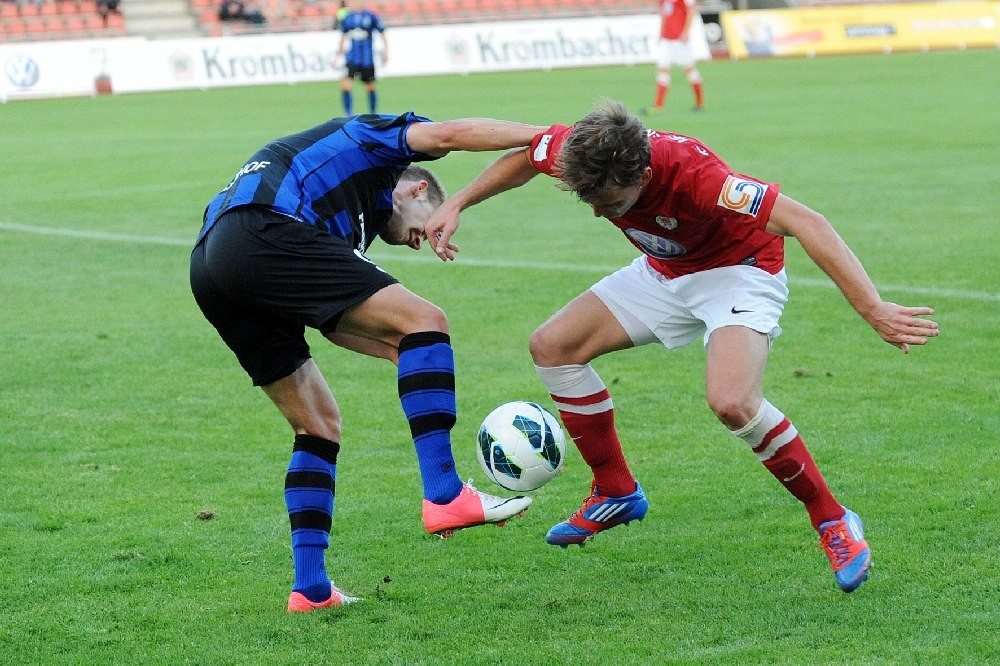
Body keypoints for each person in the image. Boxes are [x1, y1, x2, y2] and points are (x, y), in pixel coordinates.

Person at [425, 101, 939, 593]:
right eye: (592, 203)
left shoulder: (699, 176)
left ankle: (832, 518)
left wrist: (873, 308)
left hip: (738, 271)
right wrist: (456, 202)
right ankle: (615, 489)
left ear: (645, 176)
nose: (600, 215)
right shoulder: (586, 149)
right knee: (553, 346)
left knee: (733, 402)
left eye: (611, 204)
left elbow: (808, 222)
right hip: (666, 271)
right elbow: (525, 157)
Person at [189, 112, 544, 612]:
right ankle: (445, 493)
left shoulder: (344, 226)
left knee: (318, 426)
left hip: (212, 264)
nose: (423, 240)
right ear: (418, 190)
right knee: (427, 319)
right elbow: (448, 134)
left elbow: (333, 325)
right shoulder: (376, 145)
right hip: (262, 227)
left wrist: (407, 351)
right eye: (425, 227)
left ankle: (311, 589)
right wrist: (545, 135)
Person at [645, 0, 706, 114]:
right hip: (666, 40)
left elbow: (691, 10)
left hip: (679, 40)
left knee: (689, 70)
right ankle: (658, 105)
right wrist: (661, 33)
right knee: (662, 70)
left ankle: (700, 103)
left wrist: (686, 31)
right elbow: (664, 14)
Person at [335, 0, 387, 115]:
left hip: (367, 59)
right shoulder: (348, 17)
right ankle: (348, 113)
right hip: (352, 58)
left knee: (370, 87)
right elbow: (343, 37)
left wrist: (385, 51)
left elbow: (382, 32)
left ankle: (373, 112)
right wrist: (337, 56)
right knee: (345, 84)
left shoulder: (371, 16)